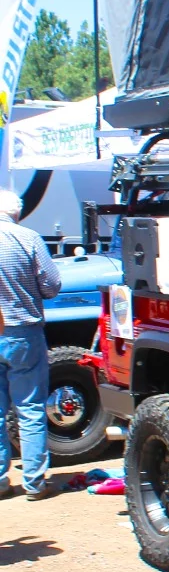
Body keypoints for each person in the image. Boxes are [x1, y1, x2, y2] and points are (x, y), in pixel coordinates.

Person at [0, 189, 63, 500]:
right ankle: (34, 482)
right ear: (17, 213)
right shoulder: (27, 237)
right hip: (22, 331)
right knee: (30, 409)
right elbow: (52, 285)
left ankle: (0, 480)